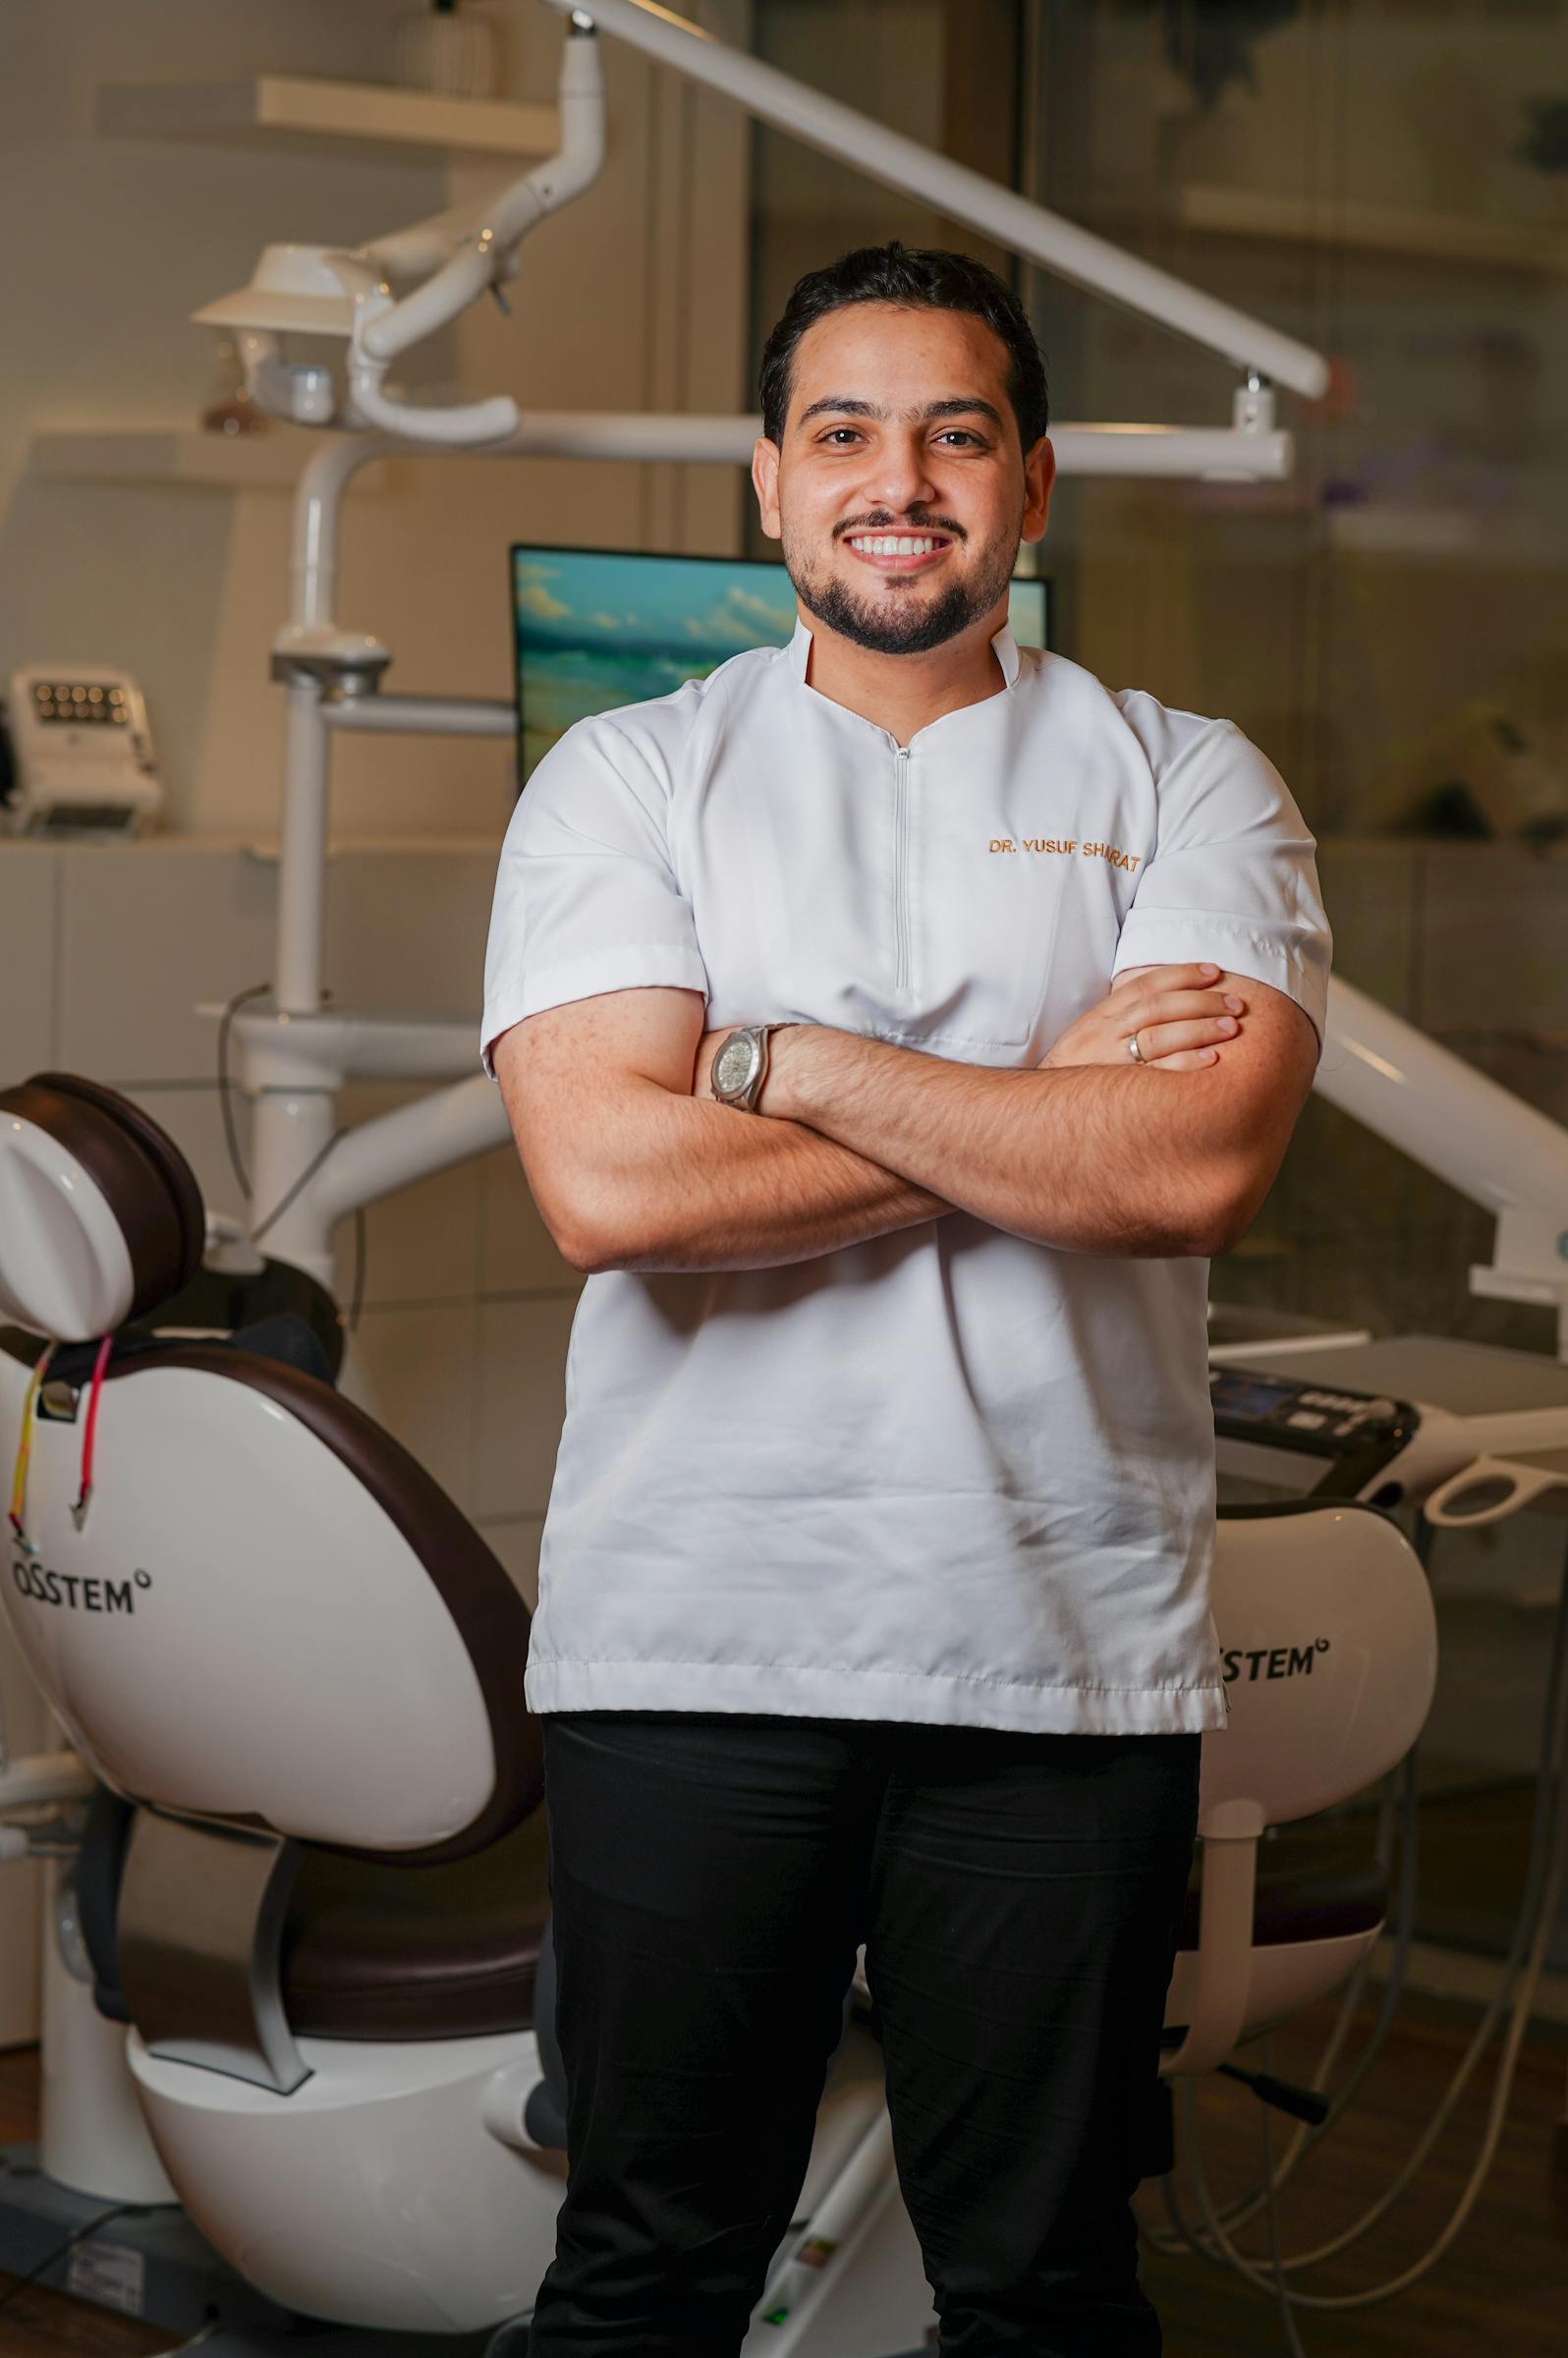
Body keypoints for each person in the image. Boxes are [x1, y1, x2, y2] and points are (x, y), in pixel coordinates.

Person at [481, 241, 1329, 2356]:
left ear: (1030, 483)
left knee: (1044, 2293)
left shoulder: (1185, 778)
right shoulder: (627, 777)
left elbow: (1183, 1172)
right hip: (693, 1637)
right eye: (843, 433)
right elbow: (608, 1188)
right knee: (642, 2276)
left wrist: (778, 1060)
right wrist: (1041, 1098)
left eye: (956, 434)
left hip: (1054, 1655)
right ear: (768, 481)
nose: (900, 480)